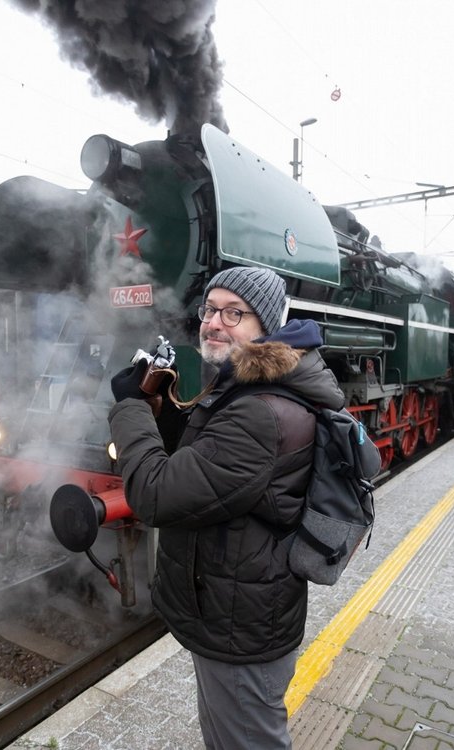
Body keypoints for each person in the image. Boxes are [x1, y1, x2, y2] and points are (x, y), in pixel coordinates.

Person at [109, 266, 345, 749]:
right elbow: (206, 461)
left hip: (240, 624)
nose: (215, 322)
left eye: (234, 313)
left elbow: (155, 494)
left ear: (267, 326)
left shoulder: (260, 412)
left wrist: (130, 407)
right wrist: (161, 408)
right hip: (233, 604)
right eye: (210, 310)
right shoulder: (248, 386)